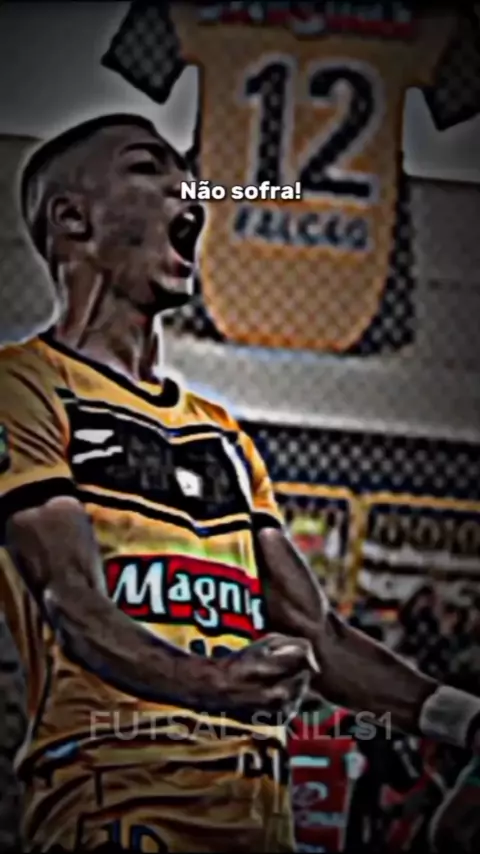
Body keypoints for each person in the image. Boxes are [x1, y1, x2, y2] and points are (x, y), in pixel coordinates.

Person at [1, 114, 480, 853]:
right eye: (149, 167)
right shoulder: (23, 385)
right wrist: (214, 684)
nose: (190, 189)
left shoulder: (220, 431)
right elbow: (73, 601)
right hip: (116, 796)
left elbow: (318, 633)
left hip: (256, 810)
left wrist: (464, 719)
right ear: (73, 219)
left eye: (190, 175)